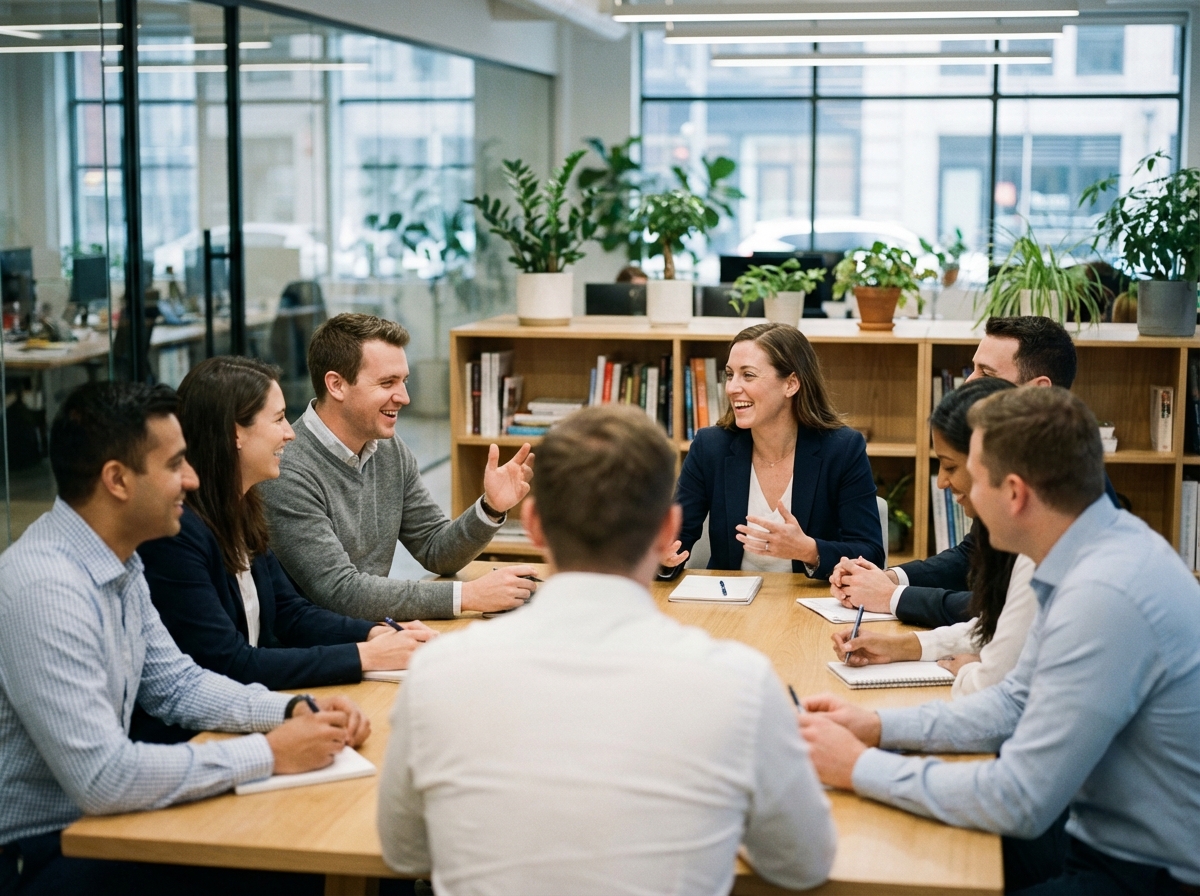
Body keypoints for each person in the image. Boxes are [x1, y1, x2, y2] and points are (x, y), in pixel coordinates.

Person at [377, 405, 836, 894]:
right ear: (666, 530)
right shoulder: (742, 686)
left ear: (532, 525)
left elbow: (405, 853)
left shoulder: (437, 674)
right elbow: (802, 863)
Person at [800, 387, 1200, 895]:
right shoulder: (1084, 552)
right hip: (1100, 843)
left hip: (1144, 876)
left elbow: (1020, 799)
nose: (956, 489)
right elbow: (1012, 703)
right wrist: (875, 726)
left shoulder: (1104, 593)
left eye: (973, 473)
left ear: (1014, 493)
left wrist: (858, 767)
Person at [0, 382, 369, 895]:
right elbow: (103, 777)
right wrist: (271, 752)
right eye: (175, 464)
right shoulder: (48, 590)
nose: (191, 479)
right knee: (283, 863)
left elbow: (178, 685)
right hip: (41, 852)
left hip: (99, 826)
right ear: (117, 480)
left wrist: (291, 712)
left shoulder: (118, 559)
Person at [134, 358, 435, 743]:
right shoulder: (177, 536)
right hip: (196, 737)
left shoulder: (241, 506)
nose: (289, 435)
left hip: (247, 713)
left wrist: (376, 633)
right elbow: (230, 662)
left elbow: (291, 613)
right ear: (235, 434)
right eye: (277, 420)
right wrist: (365, 656)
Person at [830, 315, 1118, 626]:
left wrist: (891, 597)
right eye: (973, 369)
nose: (968, 383)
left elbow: (1006, 610)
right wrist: (889, 578)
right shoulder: (1020, 459)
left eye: (986, 373)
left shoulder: (1062, 486)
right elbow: (973, 552)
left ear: (1039, 392)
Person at [258, 313, 538, 621]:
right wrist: (469, 595)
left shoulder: (388, 449)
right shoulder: (286, 472)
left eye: (403, 381)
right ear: (336, 385)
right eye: (387, 383)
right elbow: (340, 592)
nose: (404, 397)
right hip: (322, 654)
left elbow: (436, 549)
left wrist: (491, 508)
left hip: (372, 635)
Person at [830, 377, 1038, 699]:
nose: (940, 482)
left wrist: (968, 670)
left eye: (950, 466)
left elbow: (993, 694)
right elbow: (997, 624)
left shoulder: (1041, 549)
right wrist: (902, 645)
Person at [660, 321, 884, 581]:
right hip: (726, 605)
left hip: (809, 606)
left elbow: (871, 555)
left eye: (749, 375)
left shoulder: (843, 449)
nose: (732, 387)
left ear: (790, 384)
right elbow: (675, 539)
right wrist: (663, 559)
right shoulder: (710, 447)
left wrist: (810, 551)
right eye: (730, 374)